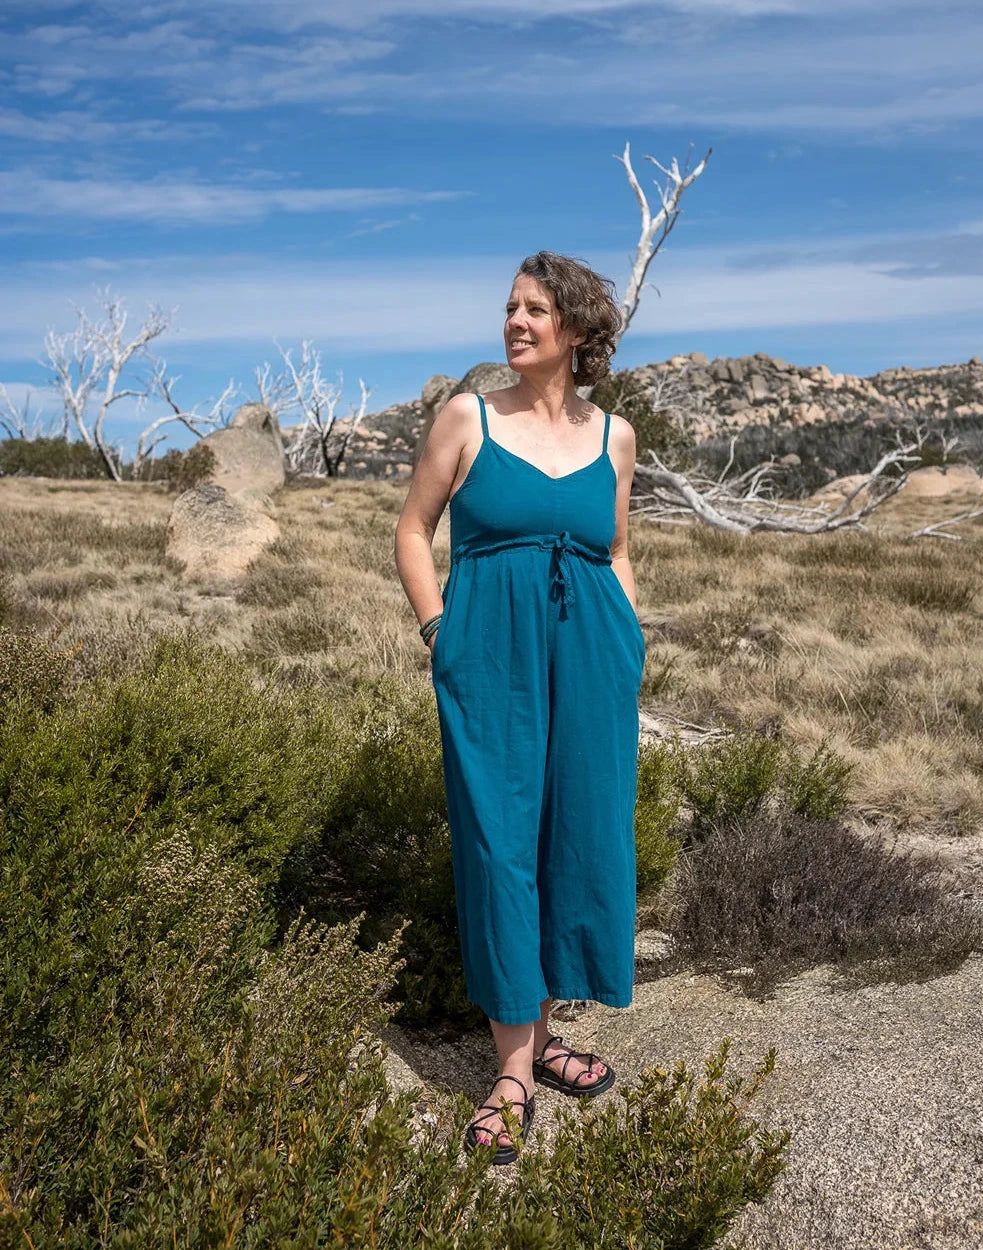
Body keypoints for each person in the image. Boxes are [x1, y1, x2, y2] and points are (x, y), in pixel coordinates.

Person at [394, 251, 645, 1165]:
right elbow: (412, 529)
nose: (516, 322)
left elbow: (614, 547)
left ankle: (544, 1040)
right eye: (510, 307)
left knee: (574, 837)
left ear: (578, 330)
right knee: (501, 842)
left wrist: (630, 642)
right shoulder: (469, 416)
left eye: (537, 309)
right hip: (489, 655)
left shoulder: (614, 436)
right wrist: (438, 631)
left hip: (591, 657)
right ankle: (509, 1070)